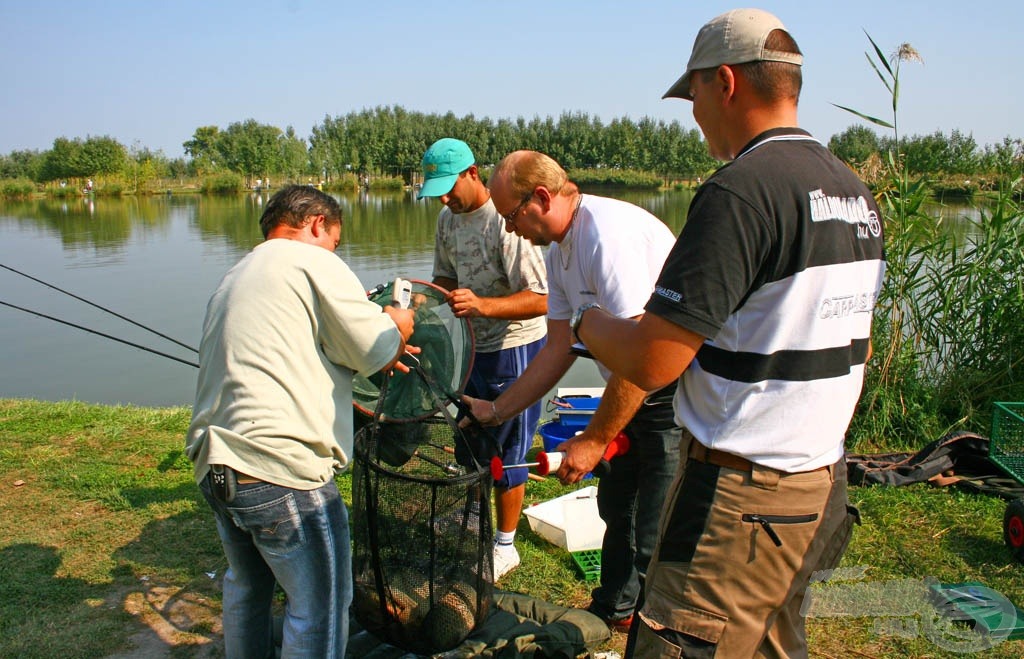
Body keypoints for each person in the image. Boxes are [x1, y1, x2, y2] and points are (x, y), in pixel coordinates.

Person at [571, 9, 886, 657]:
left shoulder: (739, 193)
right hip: (820, 487)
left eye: (693, 95)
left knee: (678, 643)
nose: (693, 113)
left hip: (738, 498)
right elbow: (858, 344)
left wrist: (588, 322)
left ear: (725, 82)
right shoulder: (852, 191)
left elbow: (655, 361)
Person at [186, 184, 416, 659]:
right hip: (277, 470)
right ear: (316, 224)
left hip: (216, 465)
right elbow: (374, 347)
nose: (336, 252)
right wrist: (397, 325)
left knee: (247, 588)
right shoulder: (311, 261)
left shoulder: (239, 272)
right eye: (336, 241)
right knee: (321, 605)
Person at [464, 150, 682, 632]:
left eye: (511, 216)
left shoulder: (606, 235)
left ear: (541, 197)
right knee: (615, 503)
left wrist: (596, 438)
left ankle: (659, 630)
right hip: (628, 391)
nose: (510, 229)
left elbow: (645, 355)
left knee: (655, 523)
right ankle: (615, 610)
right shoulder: (560, 250)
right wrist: (497, 410)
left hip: (672, 392)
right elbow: (558, 348)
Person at [417, 137, 549, 580]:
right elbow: (444, 275)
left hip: (513, 348)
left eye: (449, 187)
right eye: (436, 190)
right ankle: (474, 518)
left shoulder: (507, 221)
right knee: (469, 436)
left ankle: (506, 543)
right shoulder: (446, 220)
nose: (445, 198)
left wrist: (483, 306)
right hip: (470, 347)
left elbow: (542, 298)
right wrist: (423, 303)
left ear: (472, 174)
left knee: (506, 447)